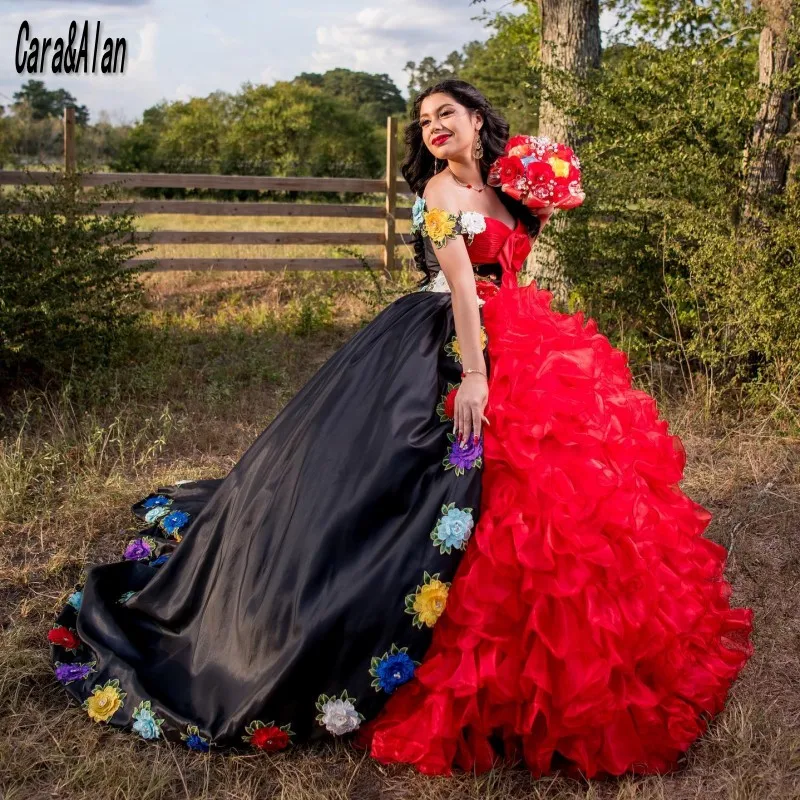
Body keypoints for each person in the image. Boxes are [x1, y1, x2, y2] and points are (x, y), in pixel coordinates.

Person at [48, 79, 753, 777]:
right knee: (411, 483)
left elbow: (524, 253)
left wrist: (550, 187)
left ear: (479, 118)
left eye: (447, 112)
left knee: (558, 491)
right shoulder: (440, 194)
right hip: (442, 339)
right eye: (423, 121)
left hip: (525, 334)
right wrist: (475, 376)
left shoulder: (509, 189)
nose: (434, 126)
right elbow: (464, 291)